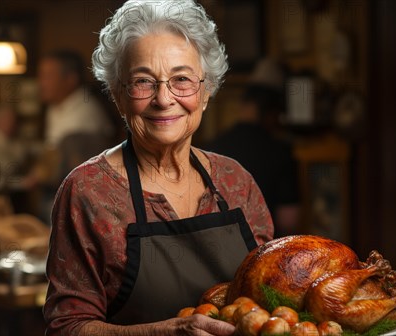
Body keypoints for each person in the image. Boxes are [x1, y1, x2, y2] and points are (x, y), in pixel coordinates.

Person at [43, 1, 274, 335]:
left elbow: (272, 298)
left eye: (181, 79)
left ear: (206, 92)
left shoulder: (235, 180)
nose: (164, 99)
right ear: (119, 96)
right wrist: (163, 332)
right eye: (143, 81)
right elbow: (67, 328)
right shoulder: (88, 191)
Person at [206, 59, 300, 238]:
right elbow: (289, 221)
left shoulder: (212, 148)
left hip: (219, 252)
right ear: (273, 112)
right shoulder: (279, 152)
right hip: (265, 256)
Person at [23, 49, 116, 222]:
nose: (41, 83)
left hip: (81, 203)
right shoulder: (55, 107)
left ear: (70, 80)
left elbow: (74, 171)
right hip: (57, 194)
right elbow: (51, 149)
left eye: (47, 76)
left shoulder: (84, 112)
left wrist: (37, 175)